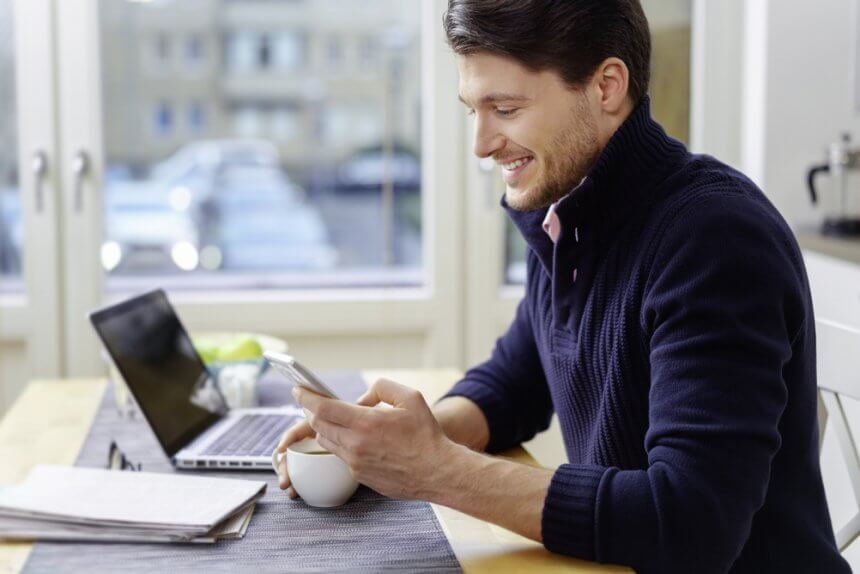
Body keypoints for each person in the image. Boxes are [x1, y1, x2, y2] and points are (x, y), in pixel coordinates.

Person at [275, 1, 851, 572]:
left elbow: (690, 523)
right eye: (474, 109)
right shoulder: (565, 213)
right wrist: (386, 445)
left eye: (505, 108)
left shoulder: (714, 240)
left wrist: (437, 470)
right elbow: (517, 379)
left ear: (606, 87)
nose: (481, 143)